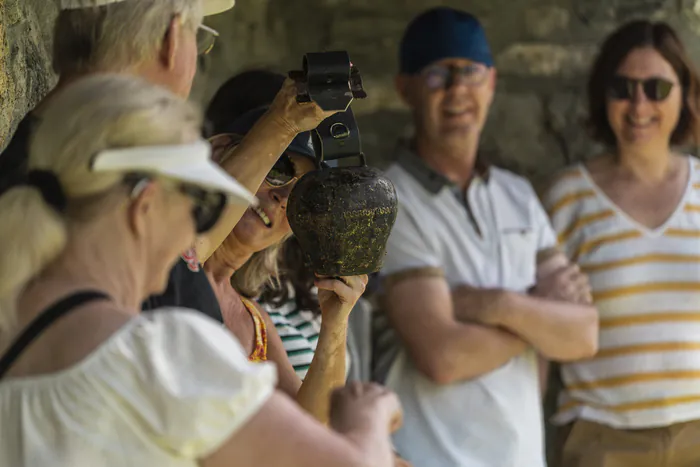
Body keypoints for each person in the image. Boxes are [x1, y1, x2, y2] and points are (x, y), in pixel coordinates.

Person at [0, 74, 402, 467]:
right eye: (198, 202)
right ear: (145, 208)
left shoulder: (19, 316)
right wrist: (370, 414)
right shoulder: (162, 348)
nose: (199, 227)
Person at [0, 0, 334, 323]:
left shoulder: (43, 168)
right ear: (172, 39)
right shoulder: (112, 186)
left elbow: (189, 252)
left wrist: (284, 122)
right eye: (200, 39)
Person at [372, 7, 599, 467]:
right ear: (406, 89)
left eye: (471, 72)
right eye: (437, 75)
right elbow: (443, 356)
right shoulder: (387, 198)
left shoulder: (517, 196)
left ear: (491, 83)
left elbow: (584, 335)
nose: (457, 90)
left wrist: (500, 305)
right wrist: (540, 316)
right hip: (427, 456)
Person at [543, 20, 700, 467]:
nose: (639, 105)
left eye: (656, 88)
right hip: (603, 438)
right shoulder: (565, 197)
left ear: (685, 93)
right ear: (602, 95)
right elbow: (538, 329)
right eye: (623, 88)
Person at [203, 106, 357, 424]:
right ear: (220, 152)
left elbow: (314, 434)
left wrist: (335, 321)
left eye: (305, 194)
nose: (285, 196)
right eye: (279, 166)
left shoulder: (256, 321)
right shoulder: (165, 266)